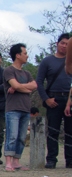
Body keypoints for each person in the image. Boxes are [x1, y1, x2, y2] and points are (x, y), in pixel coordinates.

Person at [35, 33, 70, 169]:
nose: (64, 46)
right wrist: (46, 99)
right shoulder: (47, 61)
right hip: (53, 98)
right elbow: (39, 81)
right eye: (62, 43)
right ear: (57, 44)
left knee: (70, 131)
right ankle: (51, 159)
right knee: (53, 131)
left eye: (67, 44)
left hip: (69, 99)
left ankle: (70, 160)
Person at [3, 43, 37, 172]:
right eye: (25, 53)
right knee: (12, 136)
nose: (27, 56)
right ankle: (8, 162)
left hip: (25, 108)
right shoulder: (9, 71)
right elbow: (15, 85)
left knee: (22, 137)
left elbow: (34, 86)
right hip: (13, 108)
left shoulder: (27, 73)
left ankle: (17, 161)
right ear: (18, 55)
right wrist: (24, 87)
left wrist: (20, 87)